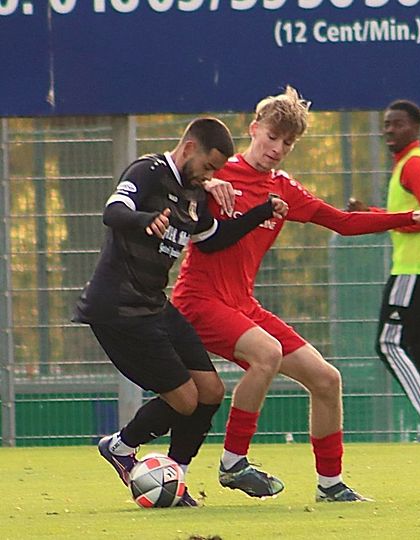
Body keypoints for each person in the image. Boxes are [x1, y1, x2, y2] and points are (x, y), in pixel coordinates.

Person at [171, 86, 420, 503]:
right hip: (199, 300)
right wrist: (205, 183)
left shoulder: (283, 188)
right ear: (254, 129)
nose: (277, 148)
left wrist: (411, 216)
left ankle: (331, 485)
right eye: (272, 137)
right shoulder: (214, 173)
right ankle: (233, 461)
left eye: (287, 142)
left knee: (327, 379)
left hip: (242, 304)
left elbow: (342, 221)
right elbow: (173, 176)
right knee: (266, 354)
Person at [76, 117, 287, 506]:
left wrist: (261, 213)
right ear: (190, 149)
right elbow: (114, 211)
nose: (211, 175)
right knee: (185, 400)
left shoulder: (194, 193)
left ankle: (176, 477)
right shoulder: (149, 171)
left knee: (211, 391)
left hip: (154, 304)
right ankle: (121, 446)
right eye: (209, 167)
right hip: (118, 308)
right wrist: (145, 219)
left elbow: (213, 240)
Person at [347, 99, 420, 442]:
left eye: (397, 124)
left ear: (415, 128)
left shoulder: (413, 165)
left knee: (388, 344)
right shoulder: (410, 165)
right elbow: (417, 213)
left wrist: (386, 220)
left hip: (417, 270)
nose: (390, 131)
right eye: (386, 124)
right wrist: (371, 212)